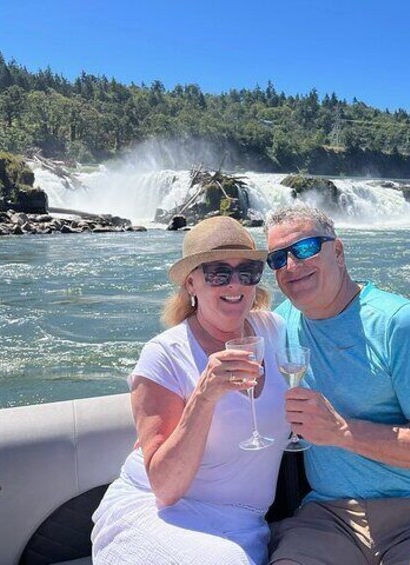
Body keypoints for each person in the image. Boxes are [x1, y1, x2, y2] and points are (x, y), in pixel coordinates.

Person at [264, 205, 410, 565]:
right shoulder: (281, 325)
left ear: (338, 252)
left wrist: (342, 432)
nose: (291, 265)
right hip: (328, 516)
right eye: (278, 258)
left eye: (305, 248)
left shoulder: (399, 326)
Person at [92, 216, 290, 565]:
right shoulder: (165, 354)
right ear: (191, 283)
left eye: (247, 272)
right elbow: (165, 489)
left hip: (243, 526)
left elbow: (325, 315)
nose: (235, 284)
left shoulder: (275, 331)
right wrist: (204, 396)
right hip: (156, 513)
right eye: (218, 272)